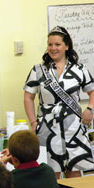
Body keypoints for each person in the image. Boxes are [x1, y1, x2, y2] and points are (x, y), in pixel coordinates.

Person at [24, 26, 94, 178]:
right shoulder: (38, 70)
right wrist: (34, 122)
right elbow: (28, 96)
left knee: (75, 173)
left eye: (57, 44)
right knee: (50, 173)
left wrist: (90, 109)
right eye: (50, 44)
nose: (53, 48)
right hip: (47, 129)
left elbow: (92, 90)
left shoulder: (79, 69)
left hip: (74, 128)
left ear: (67, 46)